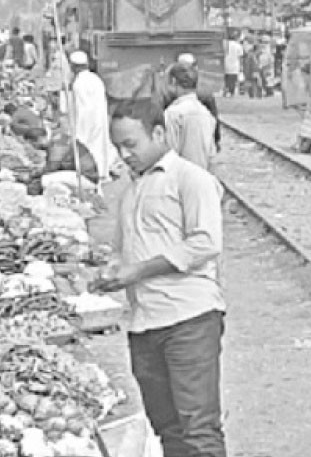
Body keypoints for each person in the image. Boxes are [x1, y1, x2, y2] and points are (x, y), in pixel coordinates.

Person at [94, 100, 226, 457]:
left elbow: (205, 243)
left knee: (199, 429)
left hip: (189, 320)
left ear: (158, 134)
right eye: (118, 146)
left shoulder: (191, 179)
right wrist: (113, 270)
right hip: (145, 324)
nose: (124, 155)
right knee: (168, 429)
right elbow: (122, 249)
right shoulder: (131, 190)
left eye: (131, 144)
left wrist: (137, 271)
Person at [70, 50, 118, 182]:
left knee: (88, 147)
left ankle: (91, 173)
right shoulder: (96, 79)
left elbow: (82, 108)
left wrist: (77, 129)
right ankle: (102, 171)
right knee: (99, 146)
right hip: (99, 118)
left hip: (87, 120)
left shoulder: (79, 83)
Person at [164, 62, 217, 171]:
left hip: (180, 177)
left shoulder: (173, 113)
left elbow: (169, 154)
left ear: (173, 81)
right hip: (202, 176)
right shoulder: (206, 114)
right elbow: (211, 156)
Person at [177, 53, 221, 151]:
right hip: (201, 140)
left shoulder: (171, 92)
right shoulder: (204, 92)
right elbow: (214, 118)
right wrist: (216, 139)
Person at [223, 31, 243, 97]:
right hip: (234, 65)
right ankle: (231, 92)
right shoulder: (238, 46)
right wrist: (241, 66)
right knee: (233, 80)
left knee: (226, 79)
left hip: (225, 64)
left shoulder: (224, 44)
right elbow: (240, 56)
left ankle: (225, 91)